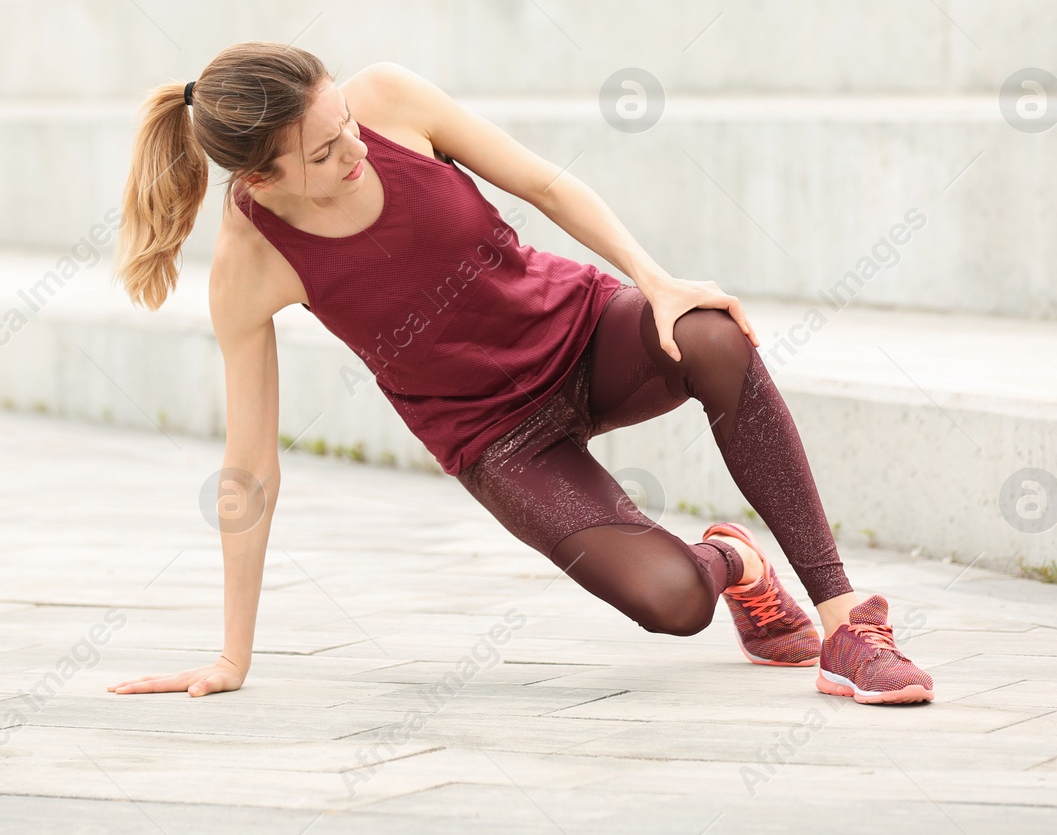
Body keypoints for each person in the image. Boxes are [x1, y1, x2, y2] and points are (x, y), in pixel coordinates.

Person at [106, 41, 933, 706]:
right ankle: (734, 565)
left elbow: (543, 182)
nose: (357, 147)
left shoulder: (391, 99)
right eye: (325, 153)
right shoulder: (251, 264)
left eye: (346, 120)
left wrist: (655, 282)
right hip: (499, 441)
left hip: (580, 334)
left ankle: (846, 625)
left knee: (710, 335)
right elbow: (250, 466)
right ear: (262, 179)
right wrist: (230, 653)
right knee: (674, 603)